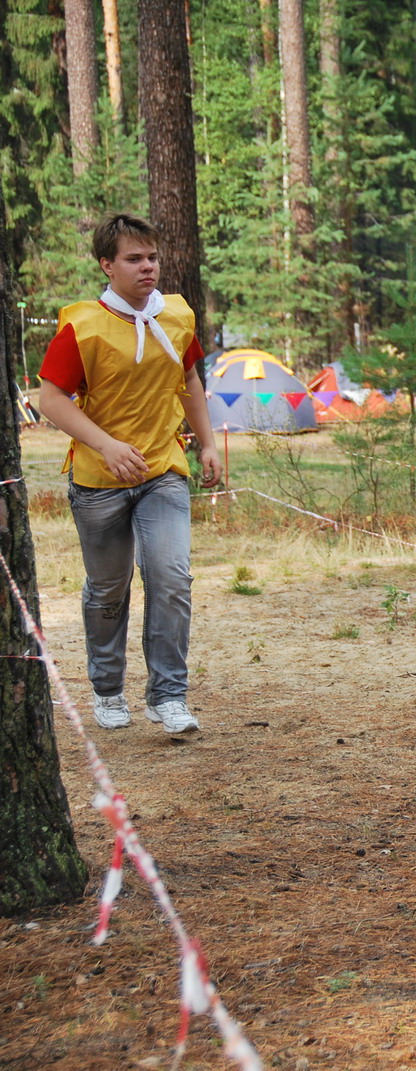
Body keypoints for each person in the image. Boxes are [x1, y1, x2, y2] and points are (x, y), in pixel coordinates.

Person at [35, 214, 222, 735]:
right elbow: (50, 399)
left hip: (162, 469)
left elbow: (188, 379)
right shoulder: (83, 326)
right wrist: (106, 444)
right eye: (134, 259)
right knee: (109, 589)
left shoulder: (177, 316)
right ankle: (107, 689)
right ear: (107, 265)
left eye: (152, 257)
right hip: (98, 479)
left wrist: (206, 443)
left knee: (170, 579)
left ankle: (168, 695)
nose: (148, 267)